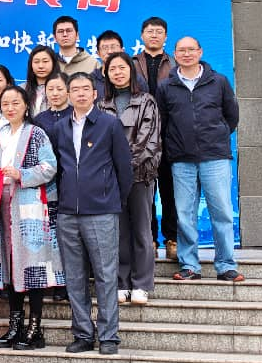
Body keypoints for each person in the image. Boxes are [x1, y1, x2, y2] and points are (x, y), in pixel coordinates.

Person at [52, 72, 132, 355]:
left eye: (86, 89)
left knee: (106, 275)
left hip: (101, 211)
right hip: (67, 213)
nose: (81, 94)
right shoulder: (60, 128)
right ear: (68, 95)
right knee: (74, 277)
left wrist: (111, 200)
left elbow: (125, 169)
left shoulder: (109, 124)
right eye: (75, 89)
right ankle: (83, 334)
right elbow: (57, 169)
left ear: (95, 94)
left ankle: (109, 336)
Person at [156, 37, 242, 283]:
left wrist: (217, 135)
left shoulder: (218, 81)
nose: (186, 54)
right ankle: (189, 265)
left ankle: (226, 265)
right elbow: (163, 122)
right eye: (181, 50)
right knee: (185, 215)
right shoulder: (166, 86)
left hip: (215, 157)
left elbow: (231, 116)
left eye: (191, 50)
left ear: (200, 52)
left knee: (222, 212)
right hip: (181, 160)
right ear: (174, 54)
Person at [0, 86, 62, 351]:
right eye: (5, 103)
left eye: (15, 103)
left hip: (29, 205)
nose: (10, 108)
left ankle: (35, 328)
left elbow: (49, 167)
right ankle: (15, 325)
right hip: (3, 206)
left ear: (26, 105)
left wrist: (21, 174)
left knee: (33, 264)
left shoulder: (36, 133)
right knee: (11, 265)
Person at [98, 53, 161, 305]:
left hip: (140, 175)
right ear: (106, 74)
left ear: (131, 71)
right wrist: (111, 170)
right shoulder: (101, 105)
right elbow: (98, 142)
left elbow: (149, 141)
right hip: (111, 179)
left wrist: (124, 167)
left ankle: (142, 284)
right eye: (112, 68)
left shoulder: (146, 101)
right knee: (118, 232)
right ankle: (122, 282)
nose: (117, 72)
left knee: (142, 230)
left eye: (122, 67)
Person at [132, 17, 177, 261]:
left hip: (168, 136)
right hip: (140, 137)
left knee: (169, 192)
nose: (154, 35)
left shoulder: (175, 63)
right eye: (150, 31)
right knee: (144, 192)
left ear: (165, 37)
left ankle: (172, 239)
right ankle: (148, 238)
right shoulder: (131, 63)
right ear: (142, 35)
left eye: (159, 32)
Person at [92, 30, 147, 99]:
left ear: (122, 51)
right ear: (98, 53)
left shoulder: (136, 79)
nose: (110, 51)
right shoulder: (91, 80)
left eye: (113, 47)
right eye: (105, 48)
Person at [34, 72, 71, 141]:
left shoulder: (78, 115)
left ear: (68, 90)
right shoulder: (39, 120)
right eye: (50, 89)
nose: (55, 93)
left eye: (60, 89)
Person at [23, 45, 59, 117]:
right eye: (36, 62)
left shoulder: (62, 88)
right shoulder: (22, 89)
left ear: (53, 63)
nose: (41, 66)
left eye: (45, 61)